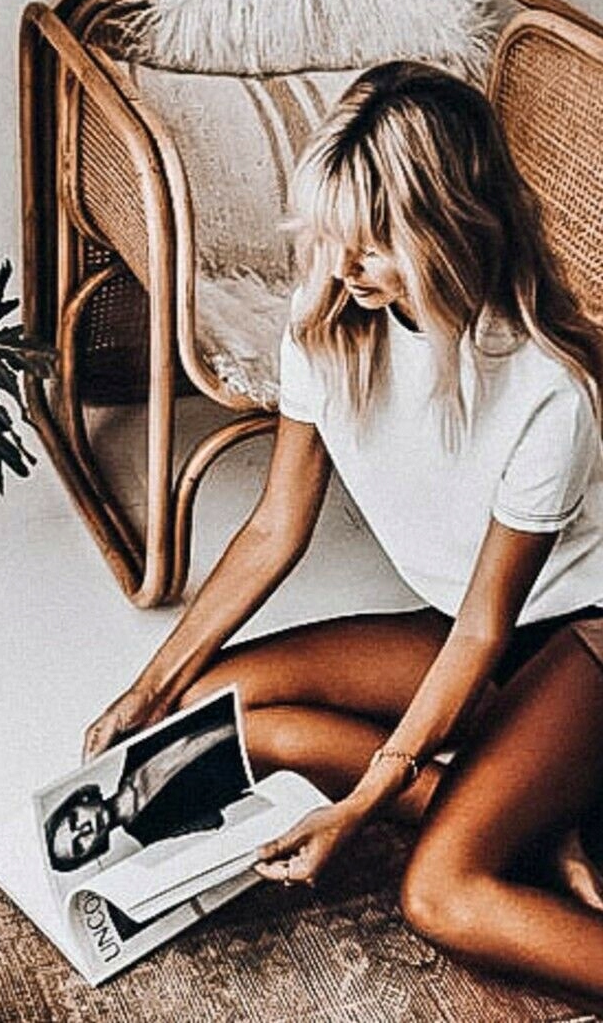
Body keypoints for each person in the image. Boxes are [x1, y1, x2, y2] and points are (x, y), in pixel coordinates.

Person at [83, 60, 603, 999]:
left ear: (450, 225)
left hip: (577, 642)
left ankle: (507, 819)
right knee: (207, 713)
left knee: (441, 894)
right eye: (331, 237)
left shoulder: (548, 389)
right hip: (474, 636)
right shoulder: (328, 325)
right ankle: (532, 823)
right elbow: (276, 527)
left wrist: (361, 804)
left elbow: (485, 629)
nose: (342, 266)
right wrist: (146, 688)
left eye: (371, 243)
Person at [45, 718, 240, 871]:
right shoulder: (152, 832)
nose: (85, 829)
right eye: (79, 845)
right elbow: (215, 819)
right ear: (90, 853)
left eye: (74, 820)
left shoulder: (135, 750)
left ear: (81, 801)